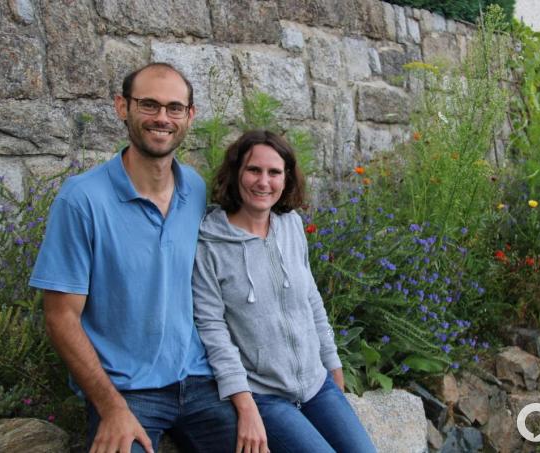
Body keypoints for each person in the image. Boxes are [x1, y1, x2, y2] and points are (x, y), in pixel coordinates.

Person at [30, 63, 237, 453]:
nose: (162, 118)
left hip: (197, 380)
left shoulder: (193, 186)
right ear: (122, 107)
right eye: (149, 105)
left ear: (190, 116)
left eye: (174, 108)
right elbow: (60, 316)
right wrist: (111, 407)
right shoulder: (82, 200)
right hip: (127, 391)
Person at [192, 130, 377, 453]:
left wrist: (333, 365)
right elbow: (212, 330)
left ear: (286, 178)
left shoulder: (291, 225)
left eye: (274, 172)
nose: (263, 182)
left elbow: (311, 299)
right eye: (254, 170)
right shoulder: (209, 245)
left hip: (316, 385)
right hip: (264, 396)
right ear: (236, 173)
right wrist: (245, 405)